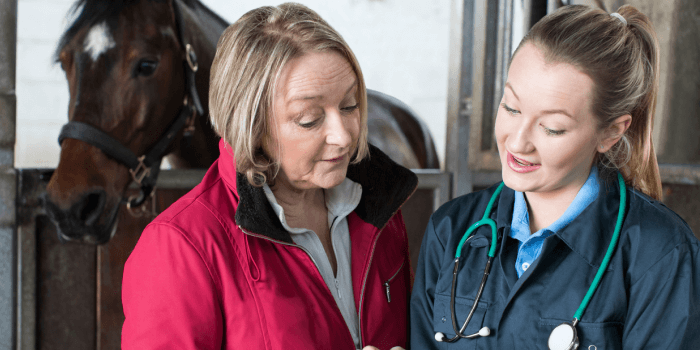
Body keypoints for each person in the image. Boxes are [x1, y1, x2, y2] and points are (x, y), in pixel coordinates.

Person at [121, 3, 414, 349]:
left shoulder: (379, 207)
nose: (344, 136)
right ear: (250, 125)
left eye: (350, 105)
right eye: (309, 118)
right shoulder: (181, 247)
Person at [410, 4, 700, 349]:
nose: (517, 142)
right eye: (511, 108)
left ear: (610, 133)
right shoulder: (452, 230)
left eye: (552, 128)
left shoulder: (660, 252)